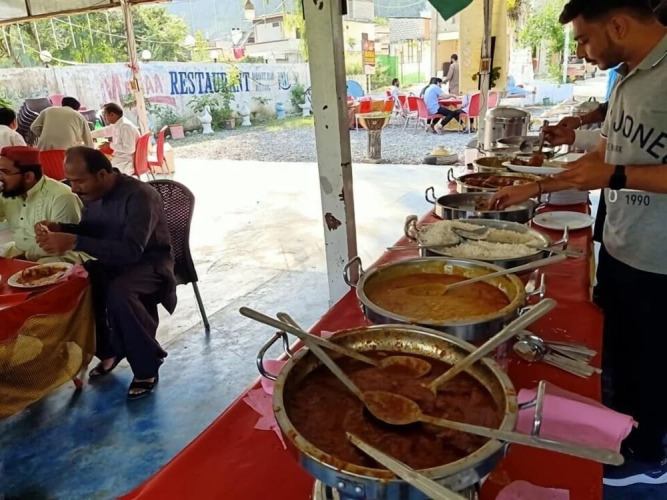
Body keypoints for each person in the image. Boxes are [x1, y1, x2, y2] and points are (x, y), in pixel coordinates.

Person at [490, 0, 667, 486]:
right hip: (624, 243)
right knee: (624, 352)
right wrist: (534, 187)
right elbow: (601, 160)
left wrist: (616, 175)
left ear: (618, 25)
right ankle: (621, 429)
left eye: (586, 40)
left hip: (660, 257)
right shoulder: (628, 77)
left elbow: (611, 169)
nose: (584, 52)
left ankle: (648, 458)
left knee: (652, 362)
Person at [35, 147, 176, 400]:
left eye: (79, 181)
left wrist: (74, 241)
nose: (74, 189)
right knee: (78, 285)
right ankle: (108, 350)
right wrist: (61, 228)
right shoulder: (93, 193)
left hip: (150, 264)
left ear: (102, 174)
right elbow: (94, 231)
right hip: (113, 261)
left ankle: (146, 367)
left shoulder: (140, 195)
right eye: (70, 181)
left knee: (120, 293)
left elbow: (132, 251)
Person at [0, 146, 83, 262]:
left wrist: (24, 257)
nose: (0, 178)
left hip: (56, 255)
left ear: (28, 177)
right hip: (19, 251)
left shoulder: (61, 196)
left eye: (4, 172)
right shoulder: (9, 192)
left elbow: (61, 245)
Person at [91, 103, 140, 176]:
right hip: (121, 158)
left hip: (125, 162)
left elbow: (129, 149)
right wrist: (88, 135)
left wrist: (110, 145)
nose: (104, 118)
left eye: (105, 115)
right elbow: (105, 131)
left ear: (112, 115)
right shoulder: (118, 123)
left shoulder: (125, 126)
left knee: (97, 169)